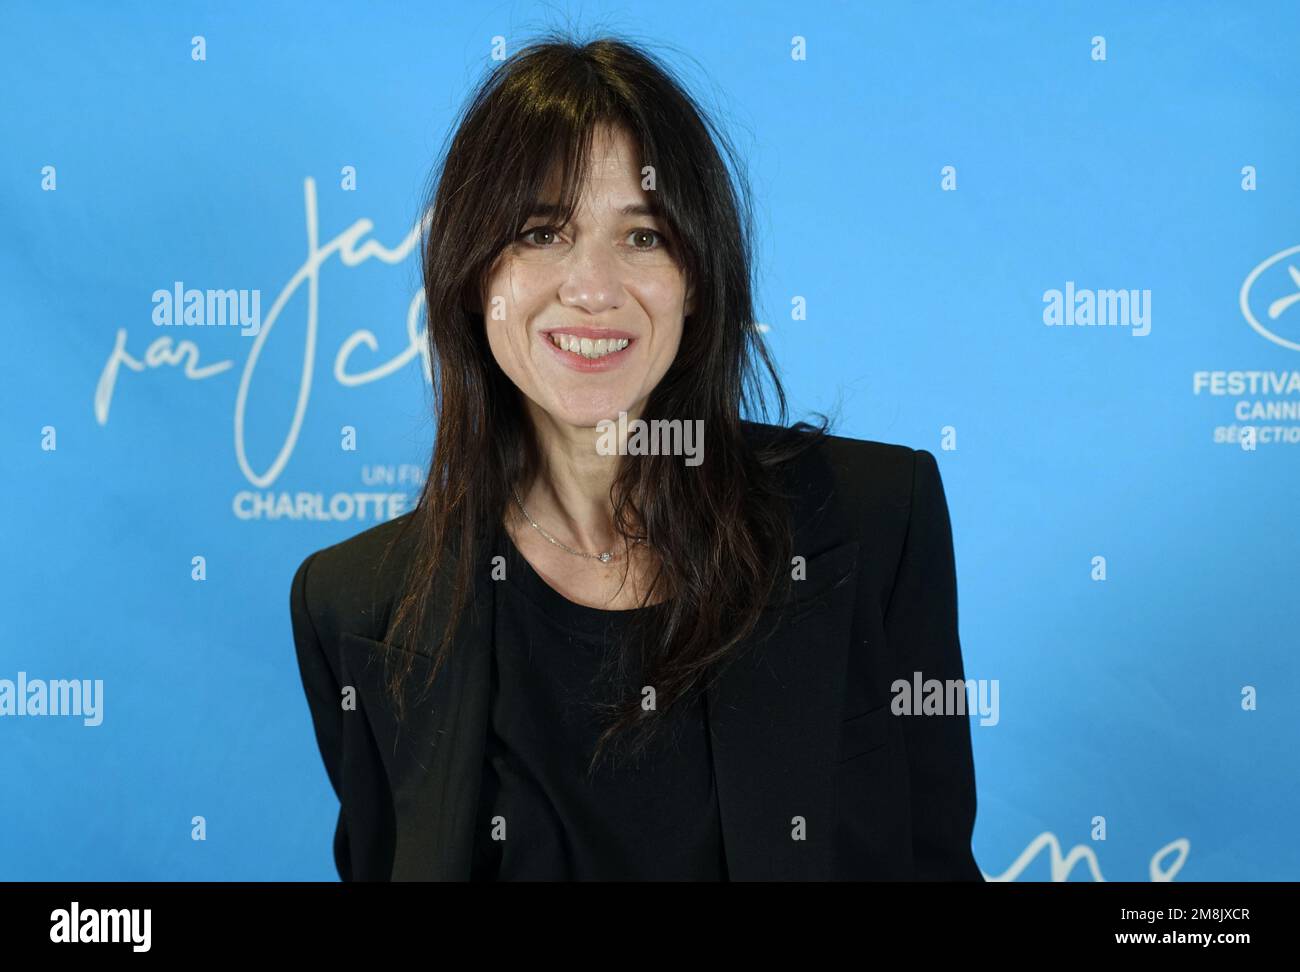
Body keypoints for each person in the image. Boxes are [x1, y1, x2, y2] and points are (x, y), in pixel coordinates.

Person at [290, 33, 982, 881]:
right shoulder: (358, 607)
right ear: (474, 278)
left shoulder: (875, 520)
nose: (592, 287)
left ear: (698, 277)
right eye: (542, 232)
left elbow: (938, 864)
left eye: (644, 237)